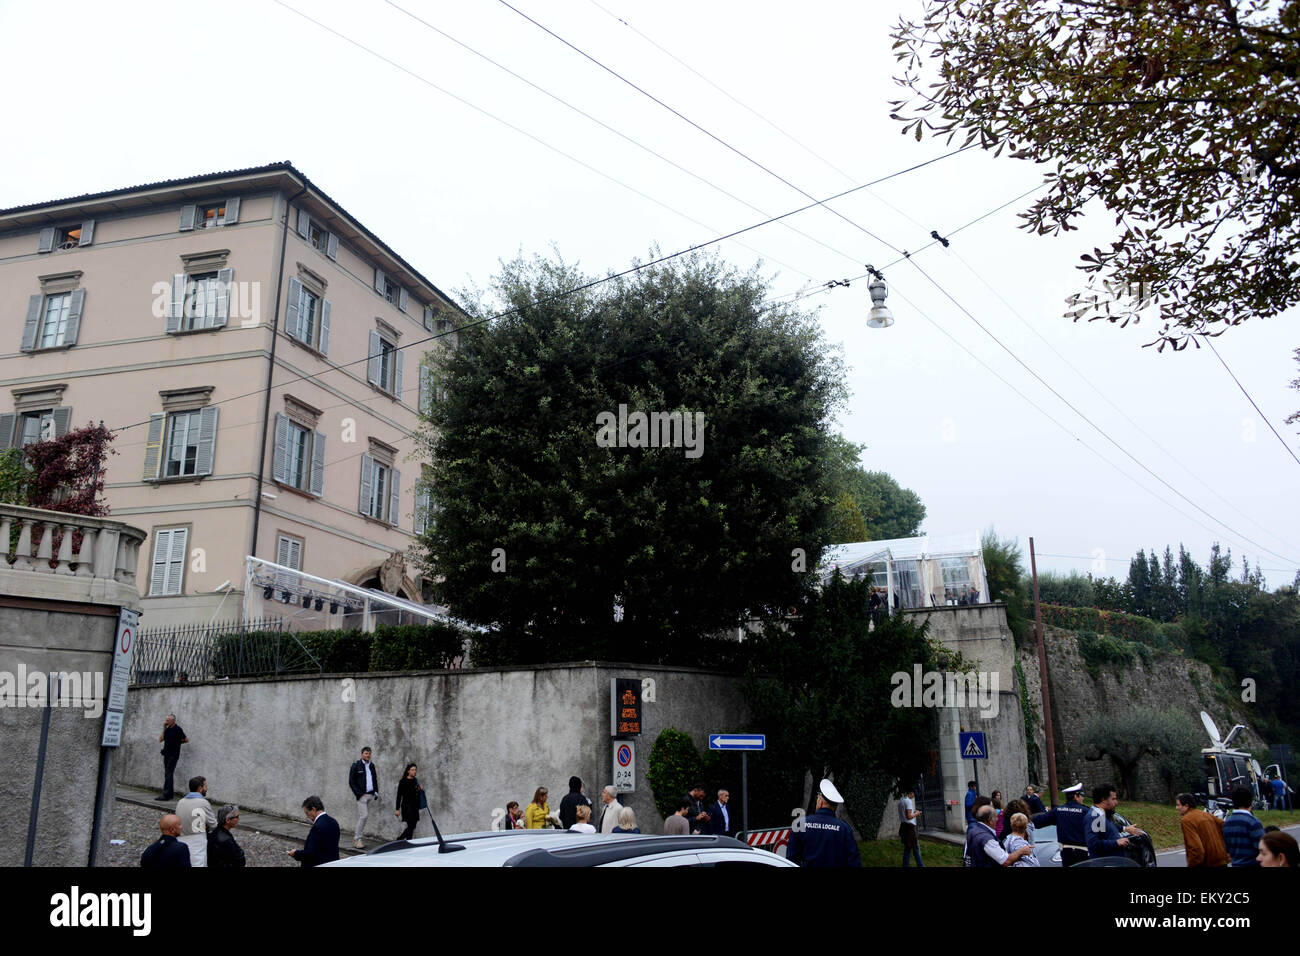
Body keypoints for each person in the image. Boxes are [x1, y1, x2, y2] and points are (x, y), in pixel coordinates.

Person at [786, 779, 861, 868]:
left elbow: (791, 859)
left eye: (818, 798)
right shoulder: (844, 828)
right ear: (835, 806)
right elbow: (854, 862)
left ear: (820, 801)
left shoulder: (800, 824)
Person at [1032, 782, 1090, 867]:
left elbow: (1038, 821)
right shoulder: (1086, 811)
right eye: (1081, 796)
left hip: (1065, 853)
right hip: (1083, 852)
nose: (1083, 799)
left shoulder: (1058, 811)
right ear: (1075, 796)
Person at [1085, 783, 1143, 860]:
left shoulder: (1102, 814)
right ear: (1103, 800)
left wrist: (1125, 828)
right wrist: (1117, 842)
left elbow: (1106, 830)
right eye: (1113, 799)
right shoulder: (1095, 817)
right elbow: (1094, 844)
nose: (1116, 803)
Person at [967, 805, 1034, 867]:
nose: (997, 819)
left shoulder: (974, 829)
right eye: (996, 817)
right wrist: (1021, 851)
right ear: (990, 820)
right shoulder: (987, 839)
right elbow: (1005, 861)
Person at [1175, 792, 1228, 867]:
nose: (1176, 808)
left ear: (1186, 806)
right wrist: (1226, 852)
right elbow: (1226, 828)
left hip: (1206, 862)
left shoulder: (1187, 820)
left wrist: (1193, 863)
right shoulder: (1207, 815)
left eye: (1178, 805)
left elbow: (1195, 847)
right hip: (1221, 861)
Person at [175, 776, 216, 867]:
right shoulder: (203, 802)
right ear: (200, 788)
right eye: (205, 786)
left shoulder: (180, 802)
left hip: (181, 839)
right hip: (197, 840)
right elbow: (213, 824)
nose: (207, 788)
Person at [287, 796, 339, 866]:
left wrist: (296, 853)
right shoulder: (333, 822)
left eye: (307, 813)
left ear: (313, 809)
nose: (307, 816)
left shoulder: (317, 827)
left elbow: (310, 853)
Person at [1221, 785, 1265, 867]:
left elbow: (1227, 849)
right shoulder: (1253, 822)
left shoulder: (1227, 823)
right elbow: (1263, 848)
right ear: (1251, 802)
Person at [348, 746, 379, 850]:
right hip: (362, 796)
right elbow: (351, 782)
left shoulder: (372, 766)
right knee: (364, 816)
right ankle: (357, 839)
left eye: (369, 753)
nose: (368, 755)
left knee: (364, 816)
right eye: (366, 753)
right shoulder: (356, 766)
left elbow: (375, 779)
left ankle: (358, 838)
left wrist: (376, 791)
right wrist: (359, 794)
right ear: (362, 754)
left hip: (371, 794)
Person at [154, 714, 188, 801]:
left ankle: (166, 795)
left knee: (169, 773)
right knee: (168, 773)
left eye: (168, 720)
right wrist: (163, 728)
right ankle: (170, 794)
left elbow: (186, 739)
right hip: (166, 754)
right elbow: (160, 739)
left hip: (173, 755)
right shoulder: (167, 729)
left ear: (173, 721)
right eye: (166, 720)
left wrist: (177, 743)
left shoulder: (178, 729)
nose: (166, 722)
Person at [208, 804, 246, 868]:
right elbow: (239, 860)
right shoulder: (225, 840)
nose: (239, 819)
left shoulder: (215, 832)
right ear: (228, 820)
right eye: (237, 817)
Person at [394, 763, 423, 840]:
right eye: (412, 770)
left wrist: (420, 789)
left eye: (415, 770)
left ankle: (403, 840)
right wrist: (397, 809)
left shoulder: (415, 781)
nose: (414, 771)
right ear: (408, 771)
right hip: (407, 807)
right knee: (411, 826)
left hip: (415, 807)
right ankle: (402, 840)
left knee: (413, 826)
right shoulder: (403, 781)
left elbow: (416, 794)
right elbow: (399, 796)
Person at [898, 787, 923, 867]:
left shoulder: (901, 800)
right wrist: (917, 813)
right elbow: (909, 816)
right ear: (911, 792)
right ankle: (920, 865)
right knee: (916, 848)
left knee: (908, 848)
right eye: (914, 794)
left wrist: (913, 812)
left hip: (904, 826)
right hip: (910, 828)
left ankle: (905, 865)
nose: (914, 796)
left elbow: (905, 815)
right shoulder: (908, 801)